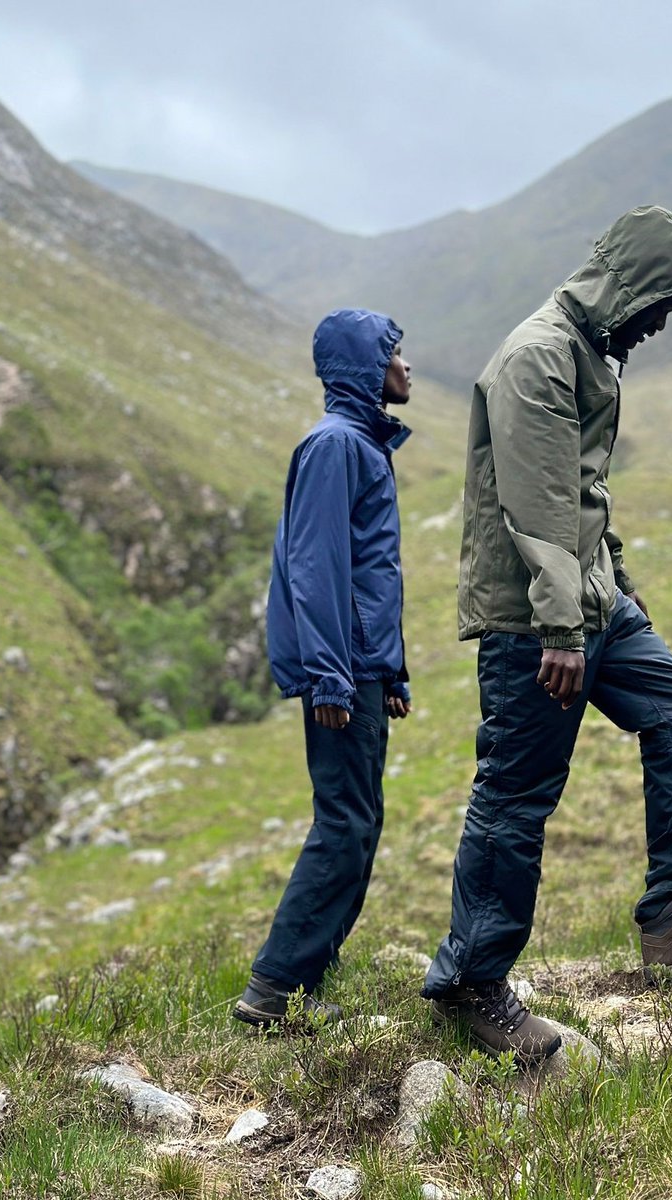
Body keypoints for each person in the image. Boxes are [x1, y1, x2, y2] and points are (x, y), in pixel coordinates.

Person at [422, 205, 672, 1064]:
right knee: (517, 798)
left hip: (593, 610)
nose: (661, 324)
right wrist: (562, 626)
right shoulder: (538, 357)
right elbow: (538, 509)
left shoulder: (591, 352)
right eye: (660, 304)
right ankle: (471, 985)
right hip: (538, 624)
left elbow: (587, 503)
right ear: (628, 286)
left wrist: (622, 595)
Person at [234, 308, 413, 1029]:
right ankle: (275, 988)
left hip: (360, 670)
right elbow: (316, 570)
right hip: (339, 675)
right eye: (396, 354)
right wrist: (332, 675)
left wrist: (388, 672)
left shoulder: (359, 445)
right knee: (343, 823)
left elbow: (366, 574)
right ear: (368, 367)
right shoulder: (336, 446)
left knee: (358, 820)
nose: (407, 367)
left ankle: (307, 980)